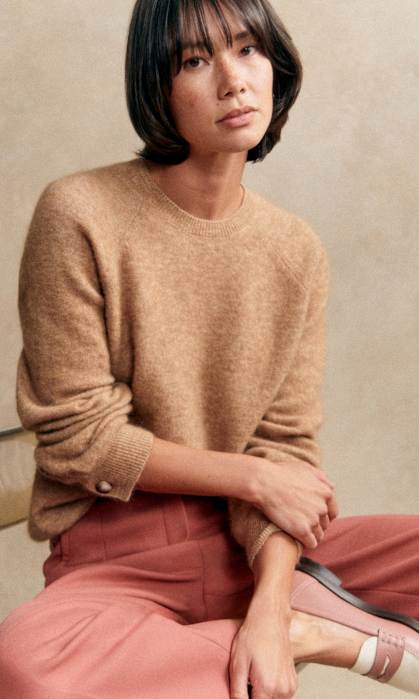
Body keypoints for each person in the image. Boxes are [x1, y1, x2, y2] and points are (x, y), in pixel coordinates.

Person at [0, 0, 418, 697]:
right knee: (27, 668)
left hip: (259, 550)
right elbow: (80, 440)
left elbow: (284, 452)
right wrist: (250, 479)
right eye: (195, 60)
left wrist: (270, 605)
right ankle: (341, 638)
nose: (233, 80)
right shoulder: (78, 213)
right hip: (116, 559)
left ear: (276, 65)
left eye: (249, 50)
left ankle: (299, 628)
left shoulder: (294, 251)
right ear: (156, 87)